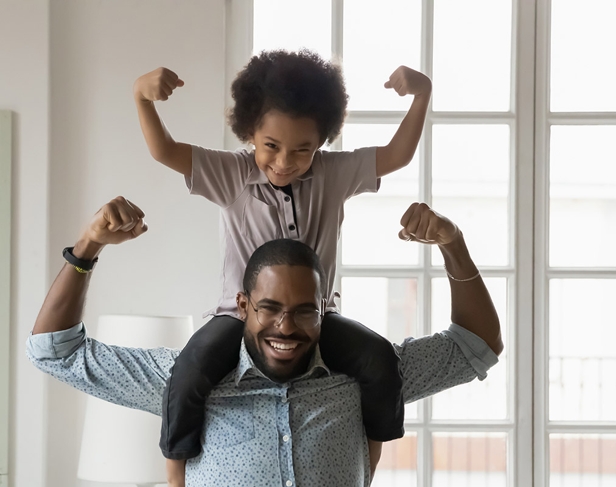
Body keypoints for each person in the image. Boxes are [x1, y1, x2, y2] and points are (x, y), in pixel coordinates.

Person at [27, 196, 503, 487]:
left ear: (324, 311)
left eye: (303, 311)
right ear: (242, 307)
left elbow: (477, 344)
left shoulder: (363, 376)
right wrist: (88, 247)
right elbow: (55, 350)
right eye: (270, 308)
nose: (285, 327)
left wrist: (452, 242)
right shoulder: (186, 379)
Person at [133, 49, 434, 482]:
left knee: (379, 360)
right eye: (271, 146)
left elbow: (396, 156)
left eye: (302, 150)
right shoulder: (231, 174)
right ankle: (175, 475)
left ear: (322, 142)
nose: (284, 161)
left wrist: (422, 95)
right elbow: (164, 150)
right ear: (250, 131)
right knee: (188, 372)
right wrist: (141, 98)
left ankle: (366, 469)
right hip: (239, 319)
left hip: (317, 318)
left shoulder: (334, 174)